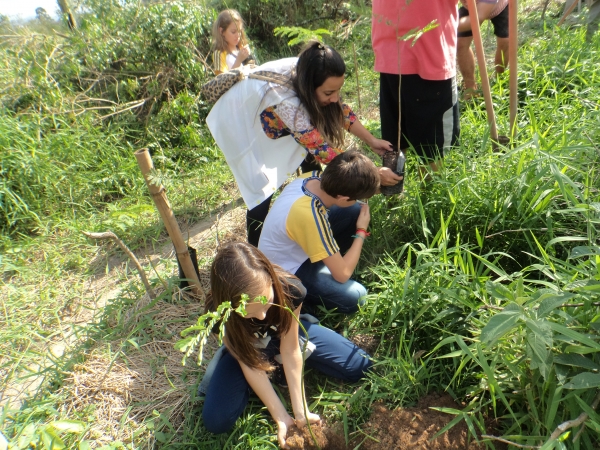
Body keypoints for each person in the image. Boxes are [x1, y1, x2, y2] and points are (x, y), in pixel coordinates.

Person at [206, 41, 399, 247]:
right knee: (261, 189)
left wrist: (372, 140)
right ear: (311, 87)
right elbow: (323, 151)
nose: (334, 98)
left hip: (273, 113)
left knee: (308, 162)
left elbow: (339, 109)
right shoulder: (287, 103)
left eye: (337, 91)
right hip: (240, 120)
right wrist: (374, 174)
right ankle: (255, 253)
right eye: (328, 93)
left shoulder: (312, 69)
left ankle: (316, 218)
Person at [201, 242, 372, 447]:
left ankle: (277, 368)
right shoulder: (219, 313)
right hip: (249, 349)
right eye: (250, 312)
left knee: (360, 366)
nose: (263, 315)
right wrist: (281, 416)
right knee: (216, 420)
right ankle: (263, 373)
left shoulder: (291, 289)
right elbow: (249, 363)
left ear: (271, 280)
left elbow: (290, 349)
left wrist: (300, 411)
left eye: (267, 303)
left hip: (286, 335)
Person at [258, 151, 379, 316]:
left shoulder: (312, 177)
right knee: (357, 297)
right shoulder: (309, 216)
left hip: (296, 246)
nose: (361, 201)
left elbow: (347, 197)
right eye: (358, 197)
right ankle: (300, 296)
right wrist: (361, 231)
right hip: (286, 270)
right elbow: (343, 275)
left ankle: (329, 261)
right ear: (343, 198)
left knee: (355, 210)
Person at [372, 0, 460, 178]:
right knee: (432, 146)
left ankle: (394, 196)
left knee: (394, 139)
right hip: (430, 55)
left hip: (389, 51)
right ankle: (429, 200)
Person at [456, 0, 510, 100]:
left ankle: (499, 78)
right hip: (472, 8)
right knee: (460, 44)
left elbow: (478, 18)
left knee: (505, 42)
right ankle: (470, 88)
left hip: (501, 5)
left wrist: (445, 26)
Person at [211, 9, 253, 75]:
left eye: (239, 31)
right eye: (233, 32)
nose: (238, 35)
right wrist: (238, 61)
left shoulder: (241, 48)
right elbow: (222, 82)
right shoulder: (219, 54)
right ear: (221, 31)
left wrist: (249, 58)